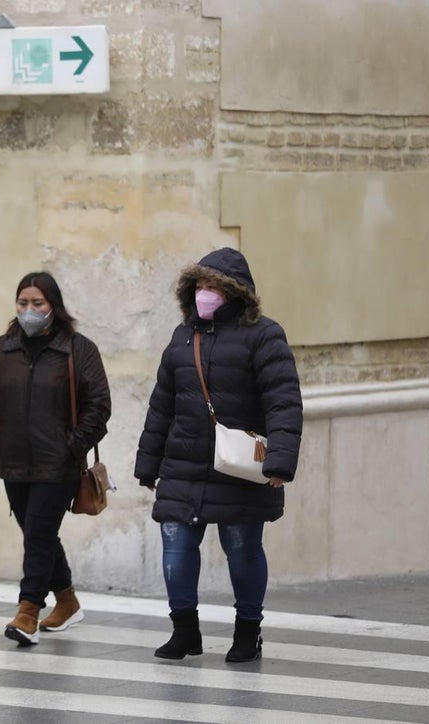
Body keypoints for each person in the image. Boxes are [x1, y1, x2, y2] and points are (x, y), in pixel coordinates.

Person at [135, 247, 302, 663]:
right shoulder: (182, 337)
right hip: (183, 464)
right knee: (175, 547)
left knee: (243, 548)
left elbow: (283, 402)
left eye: (213, 286)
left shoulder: (265, 335)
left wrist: (279, 462)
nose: (204, 294)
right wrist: (148, 464)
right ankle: (185, 631)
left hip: (240, 467)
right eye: (199, 285)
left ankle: (248, 632)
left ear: (235, 293)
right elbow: (162, 405)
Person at [0, 271, 111, 646]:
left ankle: (28, 610)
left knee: (37, 535)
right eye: (22, 303)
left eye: (37, 304)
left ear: (54, 307)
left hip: (58, 464)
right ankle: (66, 601)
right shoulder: (3, 348)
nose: (29, 311)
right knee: (39, 534)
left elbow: (99, 406)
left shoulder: (79, 350)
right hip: (12, 462)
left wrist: (72, 445)